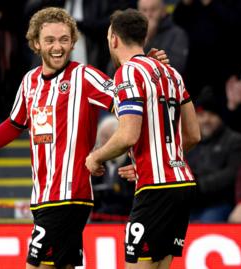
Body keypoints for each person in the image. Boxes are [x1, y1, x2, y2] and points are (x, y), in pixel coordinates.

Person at [0, 7, 117, 269]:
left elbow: (128, 104)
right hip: (42, 197)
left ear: (73, 42)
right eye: (50, 40)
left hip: (68, 196)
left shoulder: (84, 76)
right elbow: (13, 125)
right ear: (35, 43)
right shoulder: (29, 81)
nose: (57, 47)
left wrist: (120, 152)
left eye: (64, 39)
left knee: (36, 266)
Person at [85, 8, 200, 269]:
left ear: (113, 39)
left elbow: (128, 134)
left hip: (155, 189)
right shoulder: (171, 74)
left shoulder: (127, 73)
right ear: (143, 37)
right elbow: (193, 134)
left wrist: (96, 156)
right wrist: (157, 158)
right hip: (182, 184)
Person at [186, 88, 241, 223]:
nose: (206, 120)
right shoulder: (188, 141)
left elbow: (233, 173)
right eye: (201, 115)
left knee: (205, 225)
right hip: (189, 204)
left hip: (219, 204)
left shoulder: (235, 140)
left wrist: (198, 185)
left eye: (212, 115)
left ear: (221, 117)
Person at [138, 0, 189, 74]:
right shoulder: (133, 34)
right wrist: (145, 40)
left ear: (163, 11)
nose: (148, 14)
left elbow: (176, 67)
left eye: (153, 9)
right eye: (144, 10)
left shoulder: (177, 34)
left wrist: (150, 38)